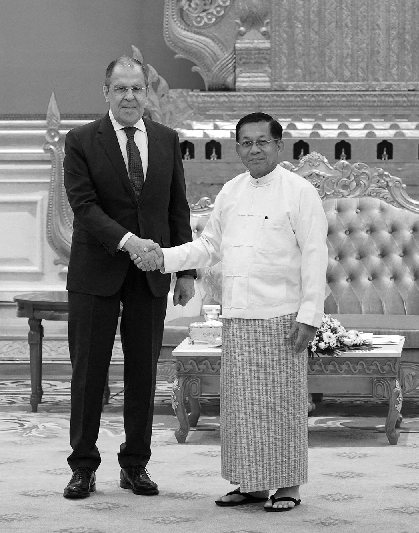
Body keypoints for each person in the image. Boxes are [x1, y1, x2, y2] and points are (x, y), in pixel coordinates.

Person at [134, 112, 328, 511]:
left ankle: (288, 486)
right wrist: (163, 258)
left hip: (281, 316)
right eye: (246, 142)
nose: (254, 149)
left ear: (279, 145)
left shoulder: (300, 191)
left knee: (281, 406)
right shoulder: (231, 191)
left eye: (262, 141)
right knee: (241, 408)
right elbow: (208, 246)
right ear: (237, 148)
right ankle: (251, 484)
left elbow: (314, 254)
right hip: (237, 315)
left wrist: (310, 316)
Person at [62, 56, 196, 499]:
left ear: (146, 92)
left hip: (150, 275)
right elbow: (84, 207)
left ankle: (135, 464)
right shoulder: (81, 140)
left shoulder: (167, 139)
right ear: (106, 92)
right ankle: (83, 466)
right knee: (88, 373)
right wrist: (128, 242)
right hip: (96, 271)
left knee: (143, 372)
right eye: (120, 88)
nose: (129, 97)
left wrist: (184, 269)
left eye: (137, 88)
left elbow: (177, 208)